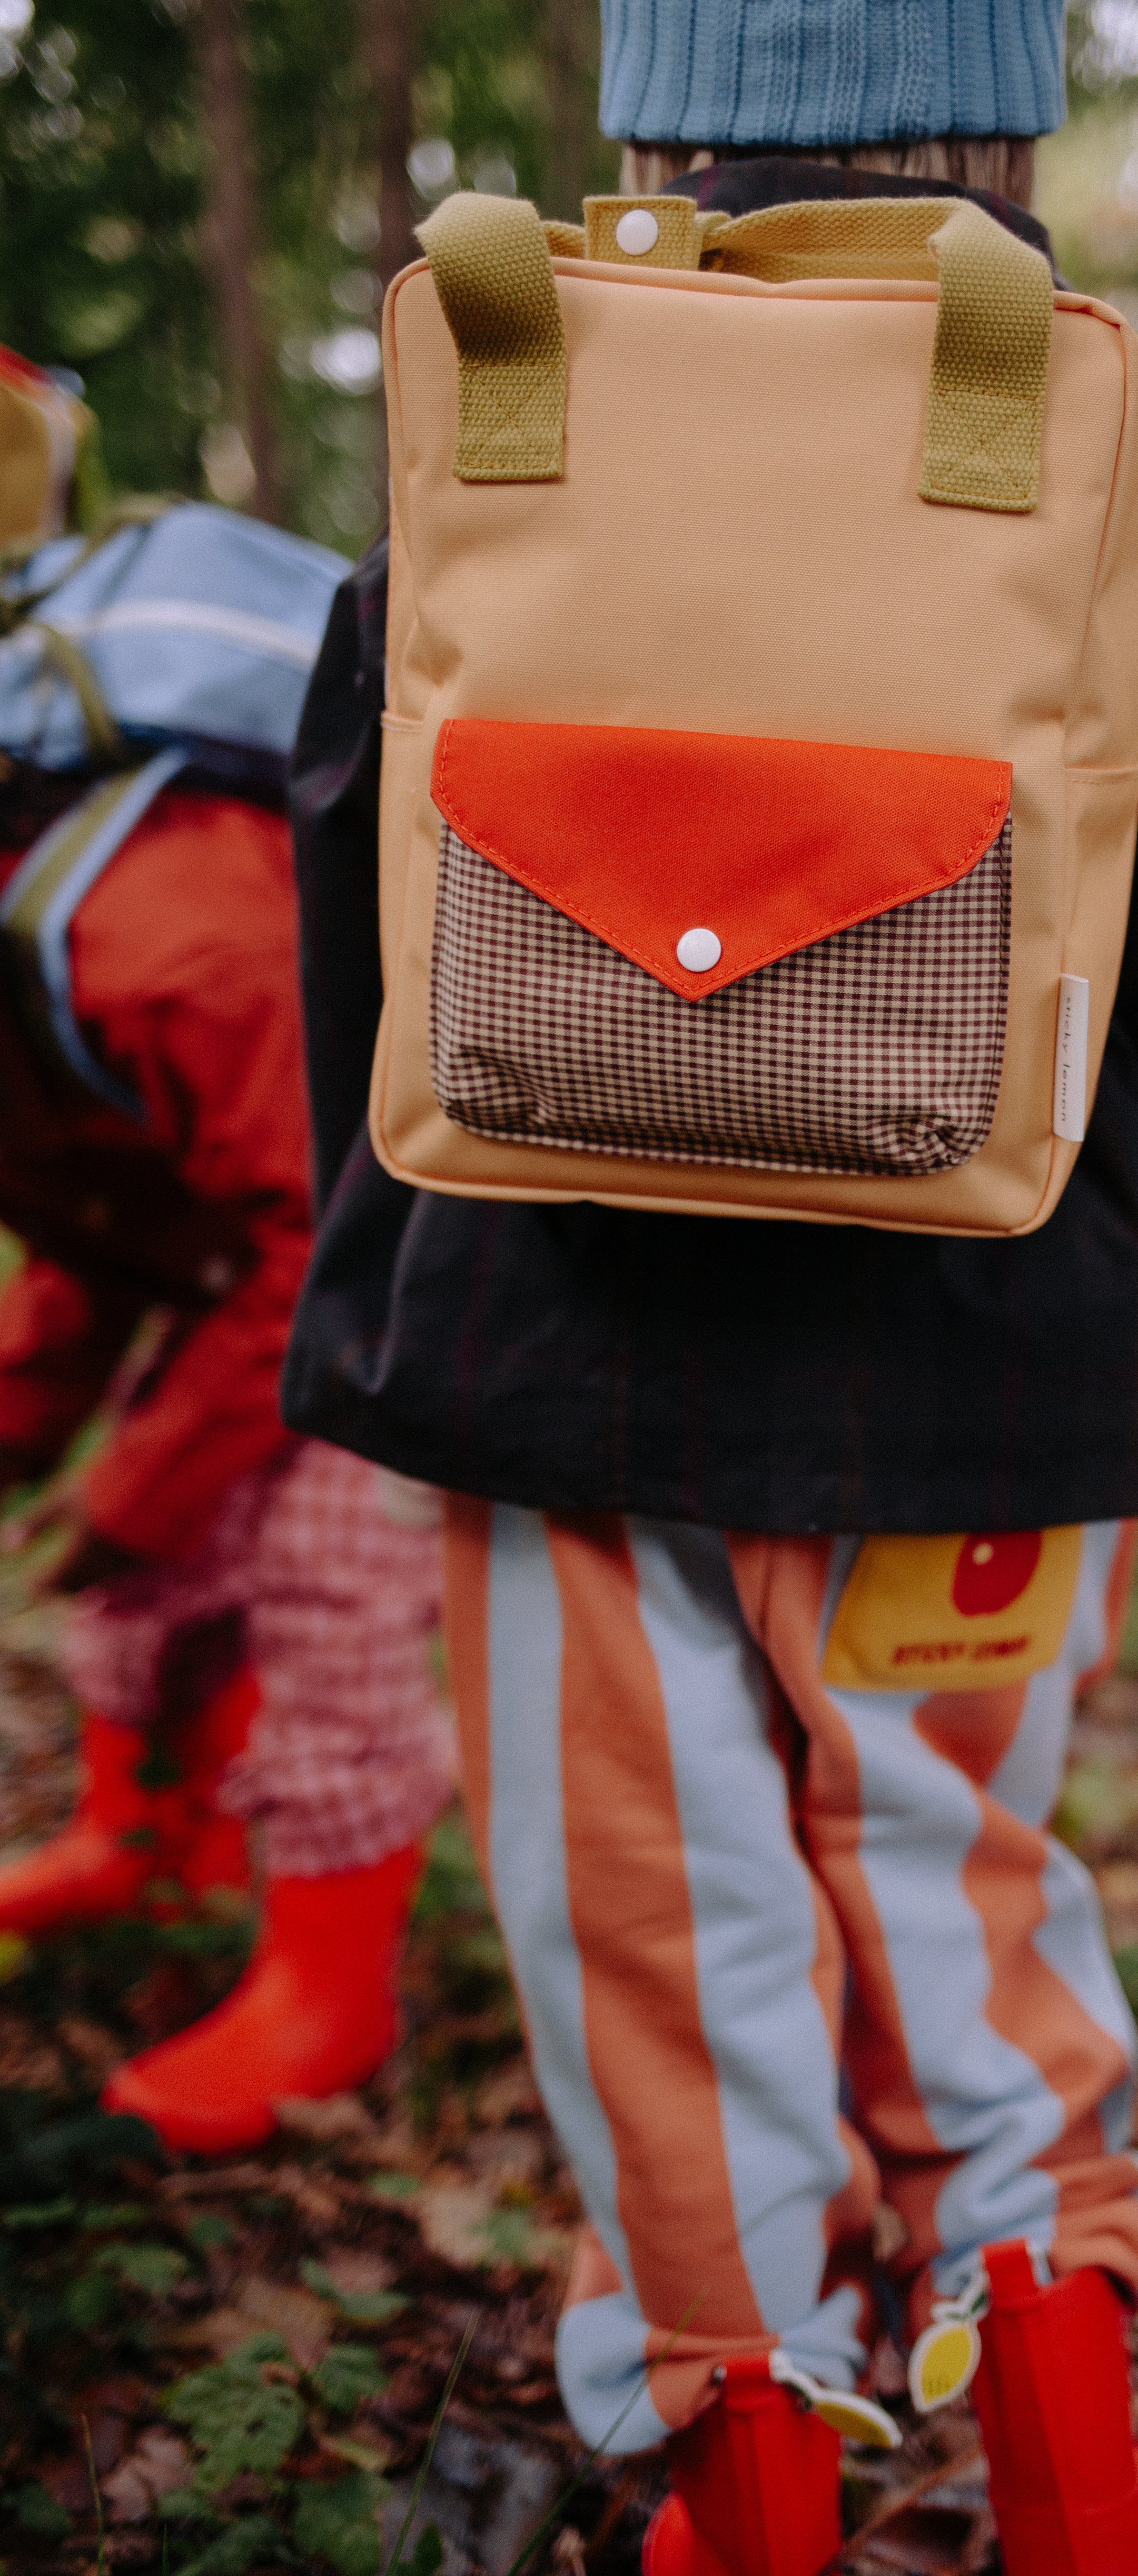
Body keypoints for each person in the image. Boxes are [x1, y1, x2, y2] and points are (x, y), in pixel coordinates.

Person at [284, 7, 1138, 2567]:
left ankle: (745, 2465)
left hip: (546, 1359)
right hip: (1003, 1366)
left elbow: (352, 896)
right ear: (1000, 126)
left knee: (652, 1922)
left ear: (646, 120)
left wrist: (362, 1303)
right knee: (965, 1889)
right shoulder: (1133, 481)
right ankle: (1063, 2451)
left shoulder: (501, 430)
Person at [0, 354, 454, 2155]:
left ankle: (326, 1989)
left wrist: (125, 1479)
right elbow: (114, 1227)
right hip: (252, 1243)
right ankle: (145, 1837)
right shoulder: (51, 962)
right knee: (148, 1558)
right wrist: (38, 1432)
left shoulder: (171, 932)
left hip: (391, 1252)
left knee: (327, 1582)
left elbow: (294, 1233)